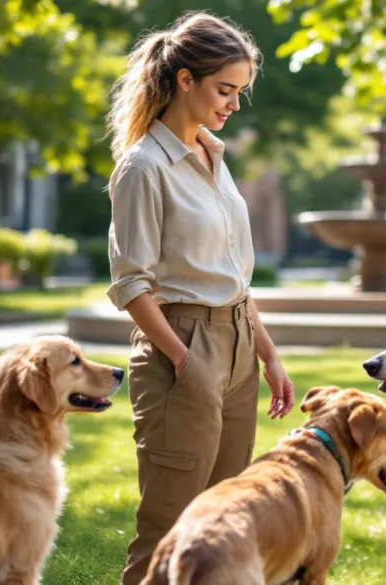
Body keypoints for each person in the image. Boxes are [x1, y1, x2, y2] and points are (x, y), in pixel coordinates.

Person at [103, 11, 295, 584]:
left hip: (237, 343)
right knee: (167, 527)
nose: (234, 103)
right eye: (224, 89)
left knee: (224, 523)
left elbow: (234, 273)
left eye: (239, 92)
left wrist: (267, 353)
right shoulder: (143, 167)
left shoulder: (216, 158)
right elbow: (131, 284)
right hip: (181, 347)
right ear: (185, 80)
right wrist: (186, 361)